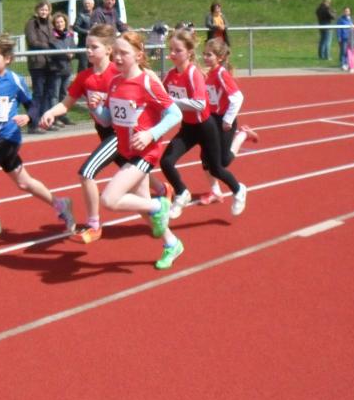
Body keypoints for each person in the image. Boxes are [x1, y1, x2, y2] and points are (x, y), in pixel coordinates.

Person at [0, 35, 75, 245]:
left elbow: (33, 105)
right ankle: (60, 204)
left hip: (9, 138)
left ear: (7, 58)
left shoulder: (14, 80)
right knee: (24, 182)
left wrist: (28, 117)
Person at [89, 31, 184, 270]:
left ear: (139, 55)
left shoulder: (147, 83)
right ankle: (172, 243)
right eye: (115, 53)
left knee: (109, 199)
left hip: (145, 153)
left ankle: (159, 205)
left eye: (124, 53)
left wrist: (151, 134)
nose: (118, 57)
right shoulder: (115, 82)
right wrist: (96, 108)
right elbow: (108, 120)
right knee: (141, 205)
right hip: (127, 151)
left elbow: (175, 114)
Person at [39, 24, 121, 243]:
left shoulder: (118, 74)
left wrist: (104, 102)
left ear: (109, 49)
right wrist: (51, 112)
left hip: (120, 132)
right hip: (104, 131)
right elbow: (66, 103)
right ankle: (162, 190)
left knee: (86, 173)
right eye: (87, 47)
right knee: (133, 171)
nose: (89, 51)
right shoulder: (85, 77)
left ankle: (94, 225)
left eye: (94, 47)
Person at [159, 29, 248, 219]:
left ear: (189, 52)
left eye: (177, 50)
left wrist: (172, 101)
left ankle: (238, 189)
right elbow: (159, 96)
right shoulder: (170, 75)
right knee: (166, 161)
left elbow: (200, 104)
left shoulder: (194, 74)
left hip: (206, 127)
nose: (172, 54)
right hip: (188, 128)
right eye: (171, 50)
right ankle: (182, 193)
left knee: (217, 167)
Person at [200, 37, 258, 205]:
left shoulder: (221, 74)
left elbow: (237, 97)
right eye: (204, 54)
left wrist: (227, 119)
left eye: (209, 55)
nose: (205, 57)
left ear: (219, 57)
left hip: (224, 120)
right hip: (211, 119)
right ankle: (215, 191)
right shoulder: (207, 73)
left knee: (223, 161)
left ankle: (242, 135)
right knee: (205, 156)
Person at [24, 0, 58, 133]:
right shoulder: (31, 23)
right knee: (38, 94)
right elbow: (33, 41)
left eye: (46, 10)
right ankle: (33, 124)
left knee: (48, 94)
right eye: (42, 9)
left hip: (50, 63)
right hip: (37, 63)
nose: (44, 12)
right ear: (37, 10)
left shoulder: (50, 23)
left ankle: (46, 122)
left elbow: (55, 38)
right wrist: (49, 46)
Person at [49, 12, 75, 127]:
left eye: (61, 22)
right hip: (56, 69)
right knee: (54, 94)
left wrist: (72, 53)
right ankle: (54, 118)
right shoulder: (52, 36)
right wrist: (65, 53)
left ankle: (63, 115)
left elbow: (73, 47)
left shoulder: (69, 35)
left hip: (67, 68)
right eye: (57, 22)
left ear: (65, 23)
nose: (60, 24)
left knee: (64, 93)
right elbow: (55, 49)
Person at [73, 0, 94, 72]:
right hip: (83, 44)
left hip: (93, 44)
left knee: (93, 65)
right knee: (83, 66)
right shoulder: (81, 15)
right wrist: (86, 32)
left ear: (93, 5)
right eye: (85, 4)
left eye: (88, 3)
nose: (87, 5)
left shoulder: (96, 15)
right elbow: (75, 27)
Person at [336, 6, 353, 71]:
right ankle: (343, 64)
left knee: (349, 51)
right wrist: (339, 37)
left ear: (350, 12)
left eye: (348, 11)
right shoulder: (340, 19)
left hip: (350, 38)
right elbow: (338, 29)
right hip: (343, 38)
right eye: (345, 11)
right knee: (343, 51)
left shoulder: (350, 19)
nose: (346, 12)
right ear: (343, 12)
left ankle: (347, 63)